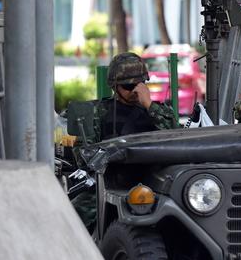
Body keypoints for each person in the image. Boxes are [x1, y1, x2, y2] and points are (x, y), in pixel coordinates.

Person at [71, 52, 177, 231]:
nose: (135, 90)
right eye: (128, 86)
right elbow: (84, 156)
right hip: (111, 183)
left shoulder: (158, 112)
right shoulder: (98, 112)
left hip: (154, 184)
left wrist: (150, 106)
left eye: (140, 84)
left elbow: (177, 140)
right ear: (115, 86)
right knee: (71, 219)